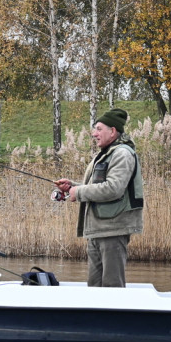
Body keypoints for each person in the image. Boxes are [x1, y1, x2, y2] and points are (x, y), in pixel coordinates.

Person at [54, 108, 144, 287]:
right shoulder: (107, 153)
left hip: (113, 230)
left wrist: (78, 193)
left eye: (99, 129)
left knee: (112, 286)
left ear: (112, 131)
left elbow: (113, 189)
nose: (94, 134)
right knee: (94, 286)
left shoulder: (122, 154)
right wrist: (73, 186)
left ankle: (113, 316)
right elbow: (100, 186)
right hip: (98, 229)